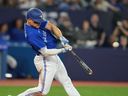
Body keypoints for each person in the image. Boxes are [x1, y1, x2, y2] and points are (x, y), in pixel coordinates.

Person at [18, 8, 80, 96]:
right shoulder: (31, 34)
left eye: (39, 21)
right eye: (36, 22)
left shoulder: (37, 22)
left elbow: (51, 26)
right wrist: (62, 49)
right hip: (45, 60)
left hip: (53, 57)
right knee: (42, 91)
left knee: (67, 82)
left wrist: (61, 38)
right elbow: (45, 52)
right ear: (29, 20)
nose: (38, 24)